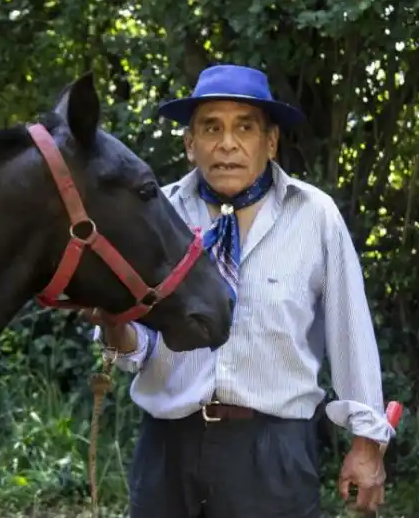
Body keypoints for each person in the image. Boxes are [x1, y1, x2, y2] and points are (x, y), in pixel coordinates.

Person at [91, 64, 394, 518]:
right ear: (190, 144)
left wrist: (367, 443)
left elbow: (351, 334)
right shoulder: (159, 213)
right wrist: (114, 323)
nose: (227, 144)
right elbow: (137, 349)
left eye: (244, 128)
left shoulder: (315, 216)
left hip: (273, 453)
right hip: (168, 448)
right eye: (211, 128)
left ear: (269, 142)